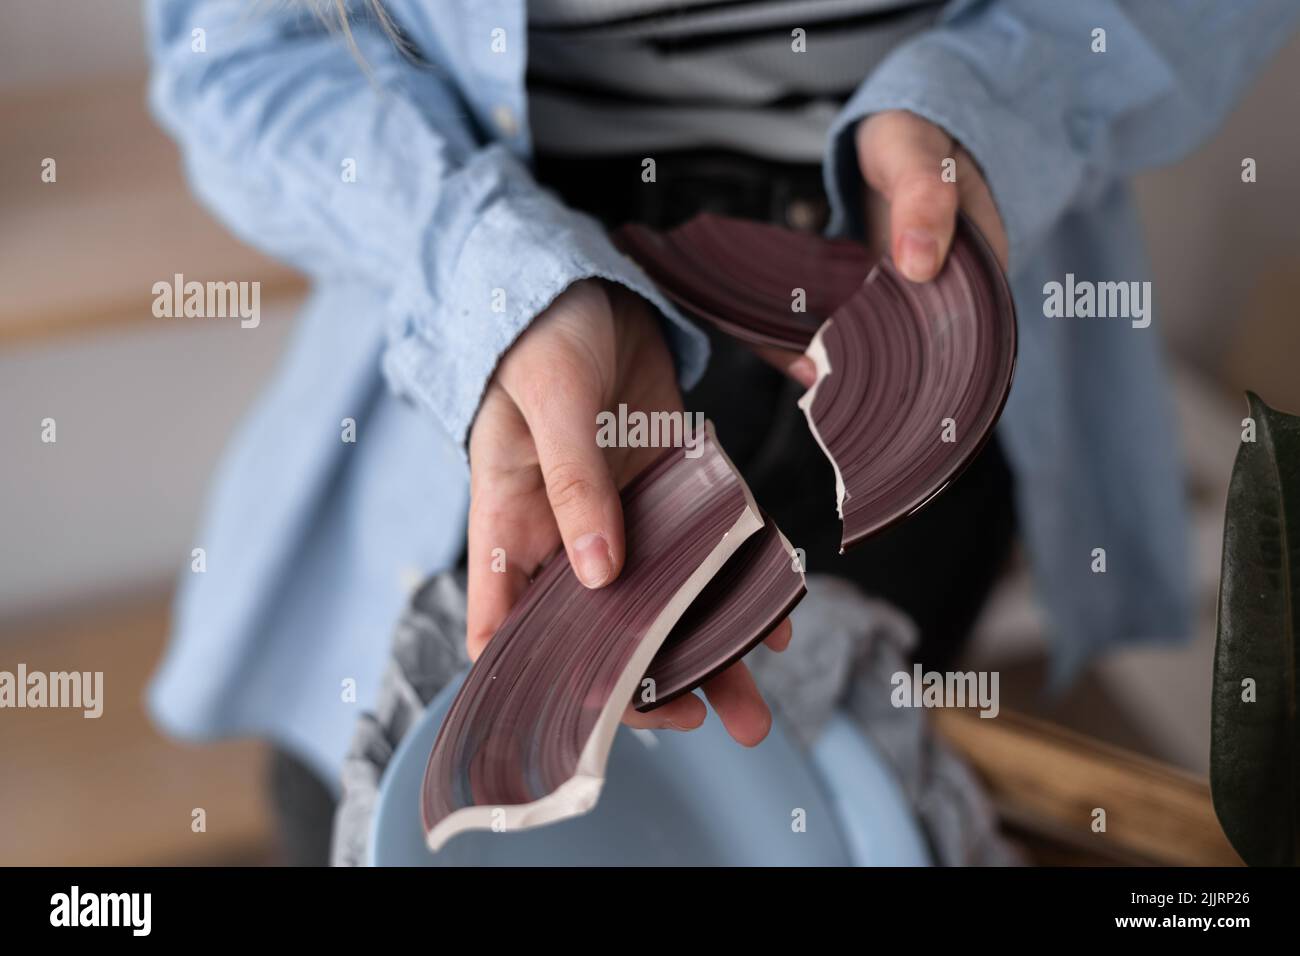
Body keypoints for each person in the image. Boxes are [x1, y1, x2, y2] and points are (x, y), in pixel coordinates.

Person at [145, 0, 1299, 863]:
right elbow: (236, 55)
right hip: (484, 314)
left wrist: (1000, 96)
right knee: (359, 803)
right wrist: (489, 283)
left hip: (910, 329)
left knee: (803, 812)